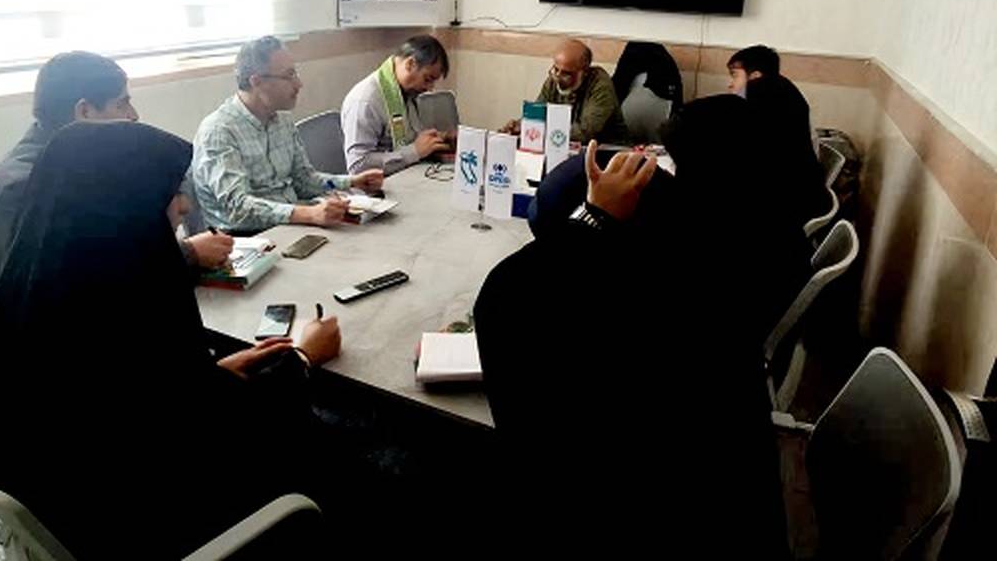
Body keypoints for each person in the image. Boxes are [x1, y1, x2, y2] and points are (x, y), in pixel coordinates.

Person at [0, 121, 343, 558]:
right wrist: (301, 359)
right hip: (149, 523)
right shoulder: (121, 318)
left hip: (76, 499)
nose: (185, 205)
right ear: (119, 210)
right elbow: (204, 432)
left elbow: (153, 399)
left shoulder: (36, 301)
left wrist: (209, 374)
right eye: (171, 194)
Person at [474, 96, 807, 556]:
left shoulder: (690, 284)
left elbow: (503, 303)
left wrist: (593, 216)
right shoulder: (754, 245)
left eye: (680, 167)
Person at [0, 51, 231, 298]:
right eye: (122, 103)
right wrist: (188, 254)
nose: (133, 116)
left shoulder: (80, 163)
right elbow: (76, 283)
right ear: (84, 112)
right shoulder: (22, 187)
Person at [192, 36, 384, 234]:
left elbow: (304, 179)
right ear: (257, 82)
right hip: (247, 238)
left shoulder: (282, 121)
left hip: (291, 223)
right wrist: (308, 214)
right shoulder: (219, 132)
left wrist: (351, 182)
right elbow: (237, 208)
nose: (298, 84)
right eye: (289, 75)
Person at [728, 44, 826, 224]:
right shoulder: (782, 89)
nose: (730, 84)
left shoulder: (761, 99)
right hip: (804, 194)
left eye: (735, 75)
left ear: (755, 76)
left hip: (785, 209)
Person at [340, 35, 452, 175]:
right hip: (379, 185)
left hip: (407, 174)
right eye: (427, 79)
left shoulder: (407, 91)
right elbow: (357, 165)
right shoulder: (365, 101)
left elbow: (405, 139)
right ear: (410, 64)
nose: (430, 88)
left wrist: (439, 139)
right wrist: (414, 151)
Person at [500, 38, 629, 145]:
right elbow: (538, 114)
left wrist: (537, 131)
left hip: (607, 151)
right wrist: (521, 126)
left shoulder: (601, 85)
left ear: (584, 72)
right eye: (556, 69)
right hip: (562, 145)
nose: (558, 77)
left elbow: (584, 133)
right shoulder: (554, 79)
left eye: (567, 74)